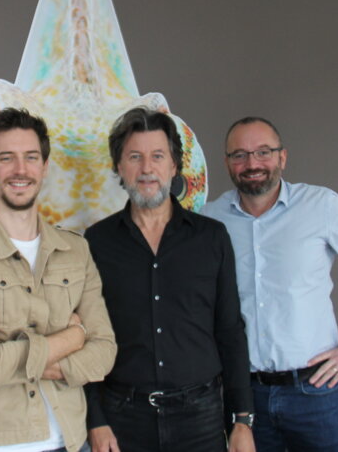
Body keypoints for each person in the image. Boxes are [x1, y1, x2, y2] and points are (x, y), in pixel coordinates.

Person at [202, 116, 338, 452]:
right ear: (227, 162)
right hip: (244, 397)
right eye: (239, 155)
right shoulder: (210, 220)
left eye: (263, 152)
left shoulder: (320, 206)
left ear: (282, 157)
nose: (252, 163)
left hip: (314, 392)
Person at [0, 108, 116, 452]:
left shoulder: (76, 250)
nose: (20, 170)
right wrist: (75, 336)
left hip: (69, 440)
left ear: (44, 167)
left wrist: (22, 359)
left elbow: (104, 352)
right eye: (7, 158)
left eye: (31, 157)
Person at [84, 107, 255, 452]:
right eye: (135, 157)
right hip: (123, 418)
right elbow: (86, 335)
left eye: (158, 156)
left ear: (174, 165)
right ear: (119, 167)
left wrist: (242, 419)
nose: (147, 168)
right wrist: (95, 420)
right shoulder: (97, 242)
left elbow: (230, 330)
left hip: (201, 417)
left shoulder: (211, 237)